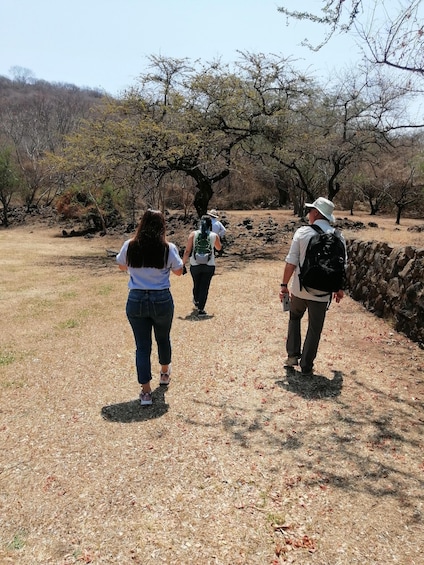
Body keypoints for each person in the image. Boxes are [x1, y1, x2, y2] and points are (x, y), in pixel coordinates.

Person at [116, 209, 183, 405]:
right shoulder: (168, 248)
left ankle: (145, 392)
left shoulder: (130, 245)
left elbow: (121, 265)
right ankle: (164, 373)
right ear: (162, 226)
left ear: (142, 224)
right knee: (163, 338)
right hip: (161, 298)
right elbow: (178, 271)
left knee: (142, 346)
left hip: (136, 298)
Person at [279, 197, 346, 377]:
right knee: (315, 329)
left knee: (294, 318)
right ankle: (307, 365)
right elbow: (342, 266)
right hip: (323, 294)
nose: (308, 214)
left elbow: (291, 262)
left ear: (316, 213)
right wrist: (339, 289)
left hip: (300, 289)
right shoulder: (339, 237)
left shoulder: (302, 232)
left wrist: (284, 285)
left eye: (310, 211)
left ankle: (292, 356)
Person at [182, 215, 222, 316]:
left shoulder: (193, 234)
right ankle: (201, 309)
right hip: (209, 265)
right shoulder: (214, 235)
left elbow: (187, 251)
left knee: (196, 284)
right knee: (204, 286)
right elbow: (218, 248)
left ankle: (196, 300)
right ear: (210, 225)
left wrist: (182, 263)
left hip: (195, 264)